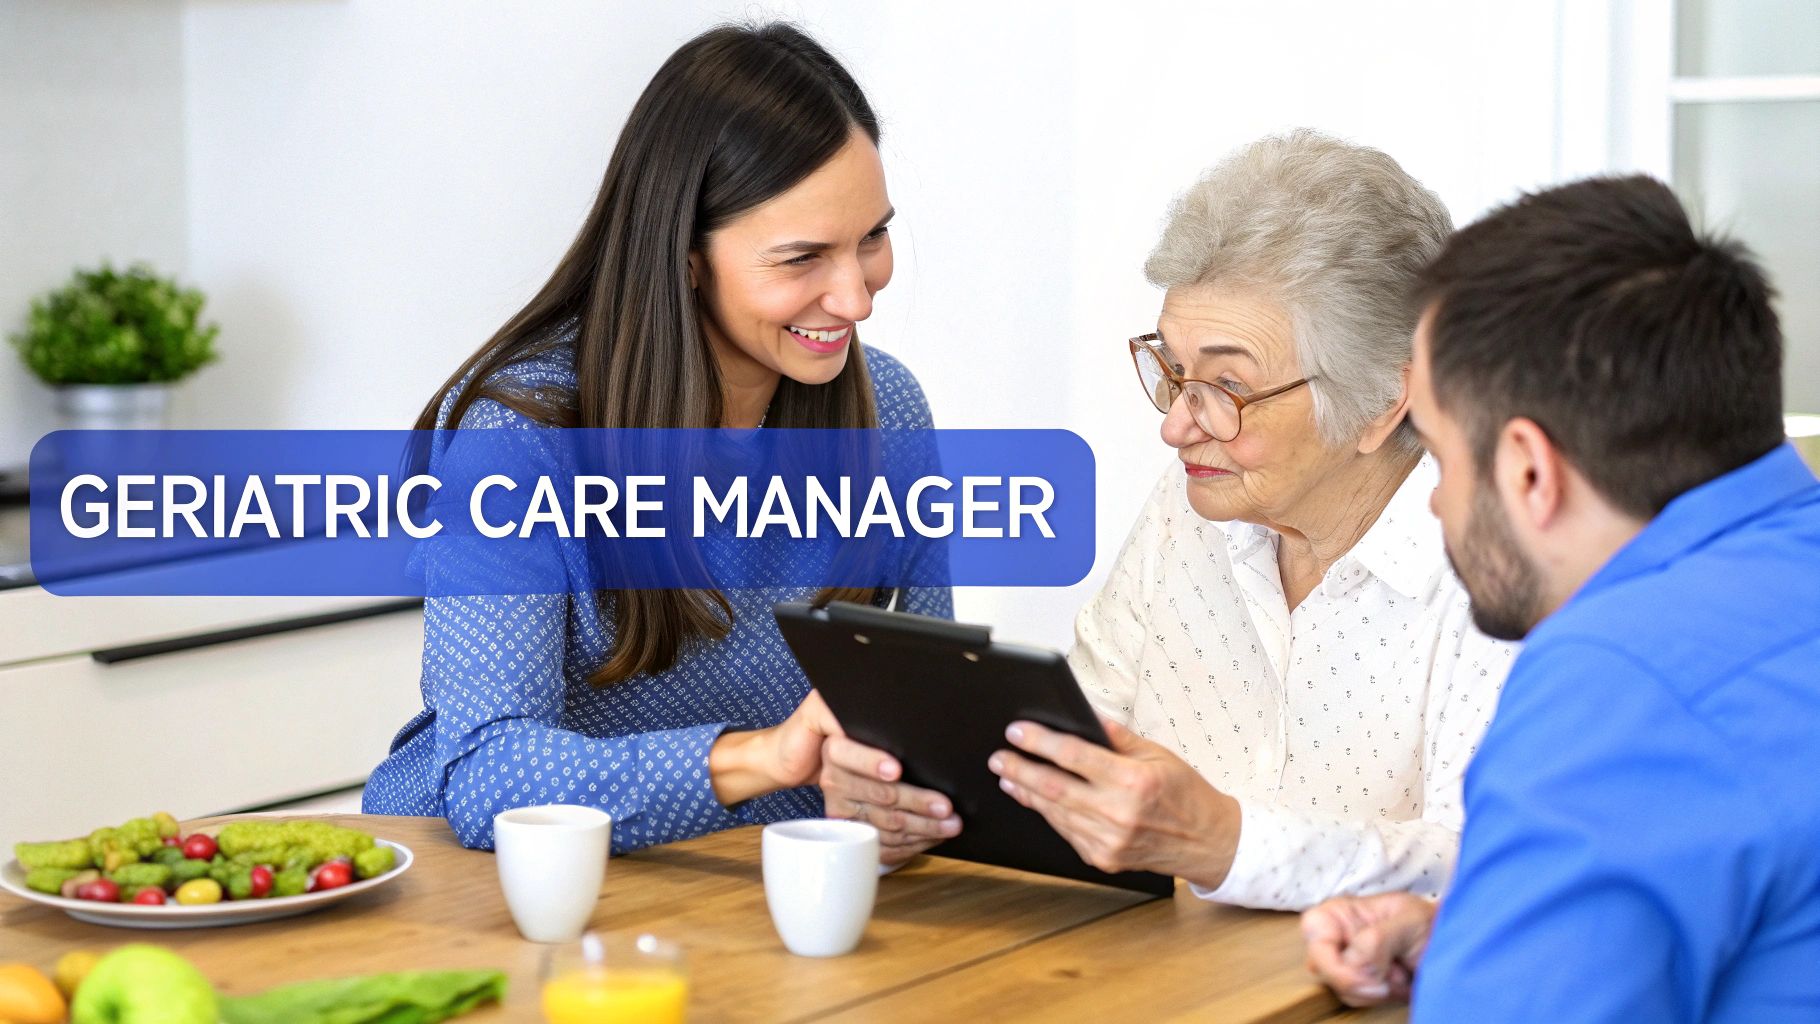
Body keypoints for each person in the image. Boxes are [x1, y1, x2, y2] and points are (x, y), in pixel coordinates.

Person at [819, 131, 1515, 908]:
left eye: (1227, 385)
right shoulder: (1192, 510)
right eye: (1174, 372)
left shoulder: (1497, 568)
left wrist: (1225, 842)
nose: (1177, 426)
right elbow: (1079, 754)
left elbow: (1484, 863)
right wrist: (919, 804)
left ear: (1387, 401)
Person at [362, 22, 950, 852]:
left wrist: (912, 792)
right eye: (802, 258)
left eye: (872, 239)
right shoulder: (522, 436)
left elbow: (923, 707)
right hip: (492, 878)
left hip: (735, 881)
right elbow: (487, 773)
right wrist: (767, 759)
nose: (855, 298)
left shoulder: (888, 409)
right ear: (684, 256)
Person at [1302, 174, 1820, 1021]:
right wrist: (1475, 934)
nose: (1434, 502)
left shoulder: (1618, 684)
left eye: (1435, 454)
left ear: (1529, 472)